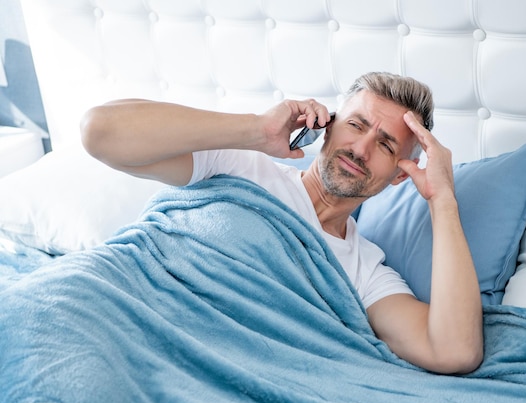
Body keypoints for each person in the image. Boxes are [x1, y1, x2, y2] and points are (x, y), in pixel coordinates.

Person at [80, 72, 483, 375]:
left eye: (385, 144)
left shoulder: (365, 272)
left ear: (399, 174)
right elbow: (99, 131)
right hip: (113, 310)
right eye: (356, 125)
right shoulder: (238, 164)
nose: (360, 149)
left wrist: (443, 200)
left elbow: (453, 350)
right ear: (327, 127)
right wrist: (255, 130)